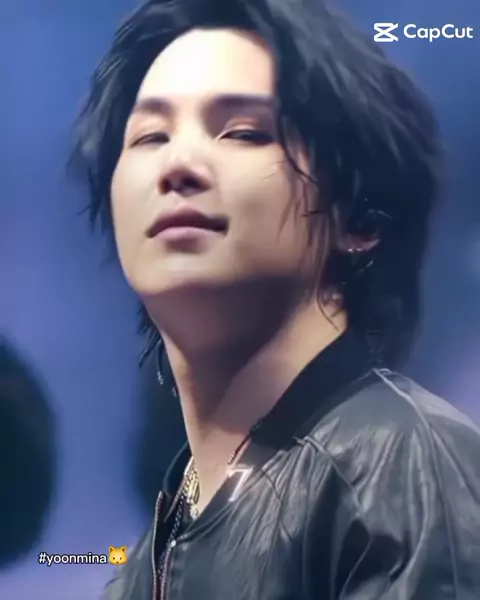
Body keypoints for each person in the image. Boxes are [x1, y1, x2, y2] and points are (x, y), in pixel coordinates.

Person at [71, 0, 480, 598]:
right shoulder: (154, 550)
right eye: (150, 136)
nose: (177, 164)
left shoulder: (406, 469)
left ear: (360, 216)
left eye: (243, 132)